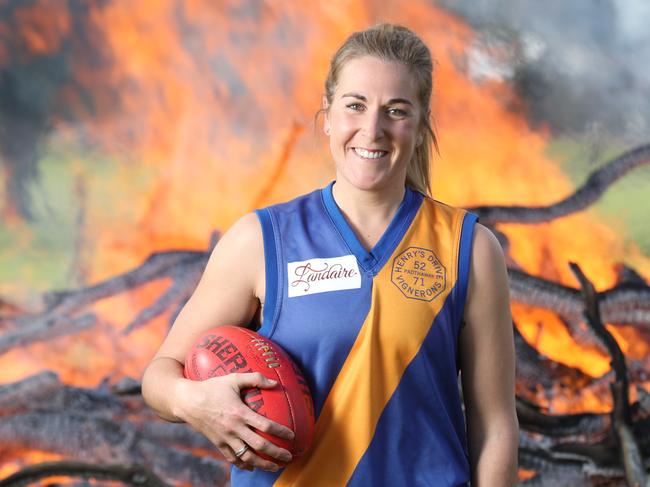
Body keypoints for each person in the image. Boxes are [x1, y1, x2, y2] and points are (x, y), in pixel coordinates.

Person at [142, 23, 519, 486]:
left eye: (396, 111)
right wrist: (194, 403)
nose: (373, 128)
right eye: (355, 105)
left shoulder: (470, 249)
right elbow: (160, 376)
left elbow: (496, 425)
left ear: (421, 127)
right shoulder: (261, 240)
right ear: (327, 117)